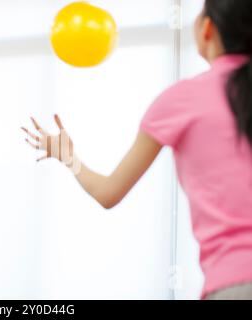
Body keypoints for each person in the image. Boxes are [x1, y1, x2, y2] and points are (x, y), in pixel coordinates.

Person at [22, 0, 252, 300]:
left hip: (235, 284)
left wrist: (70, 159)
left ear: (207, 28)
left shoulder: (182, 100)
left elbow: (109, 192)